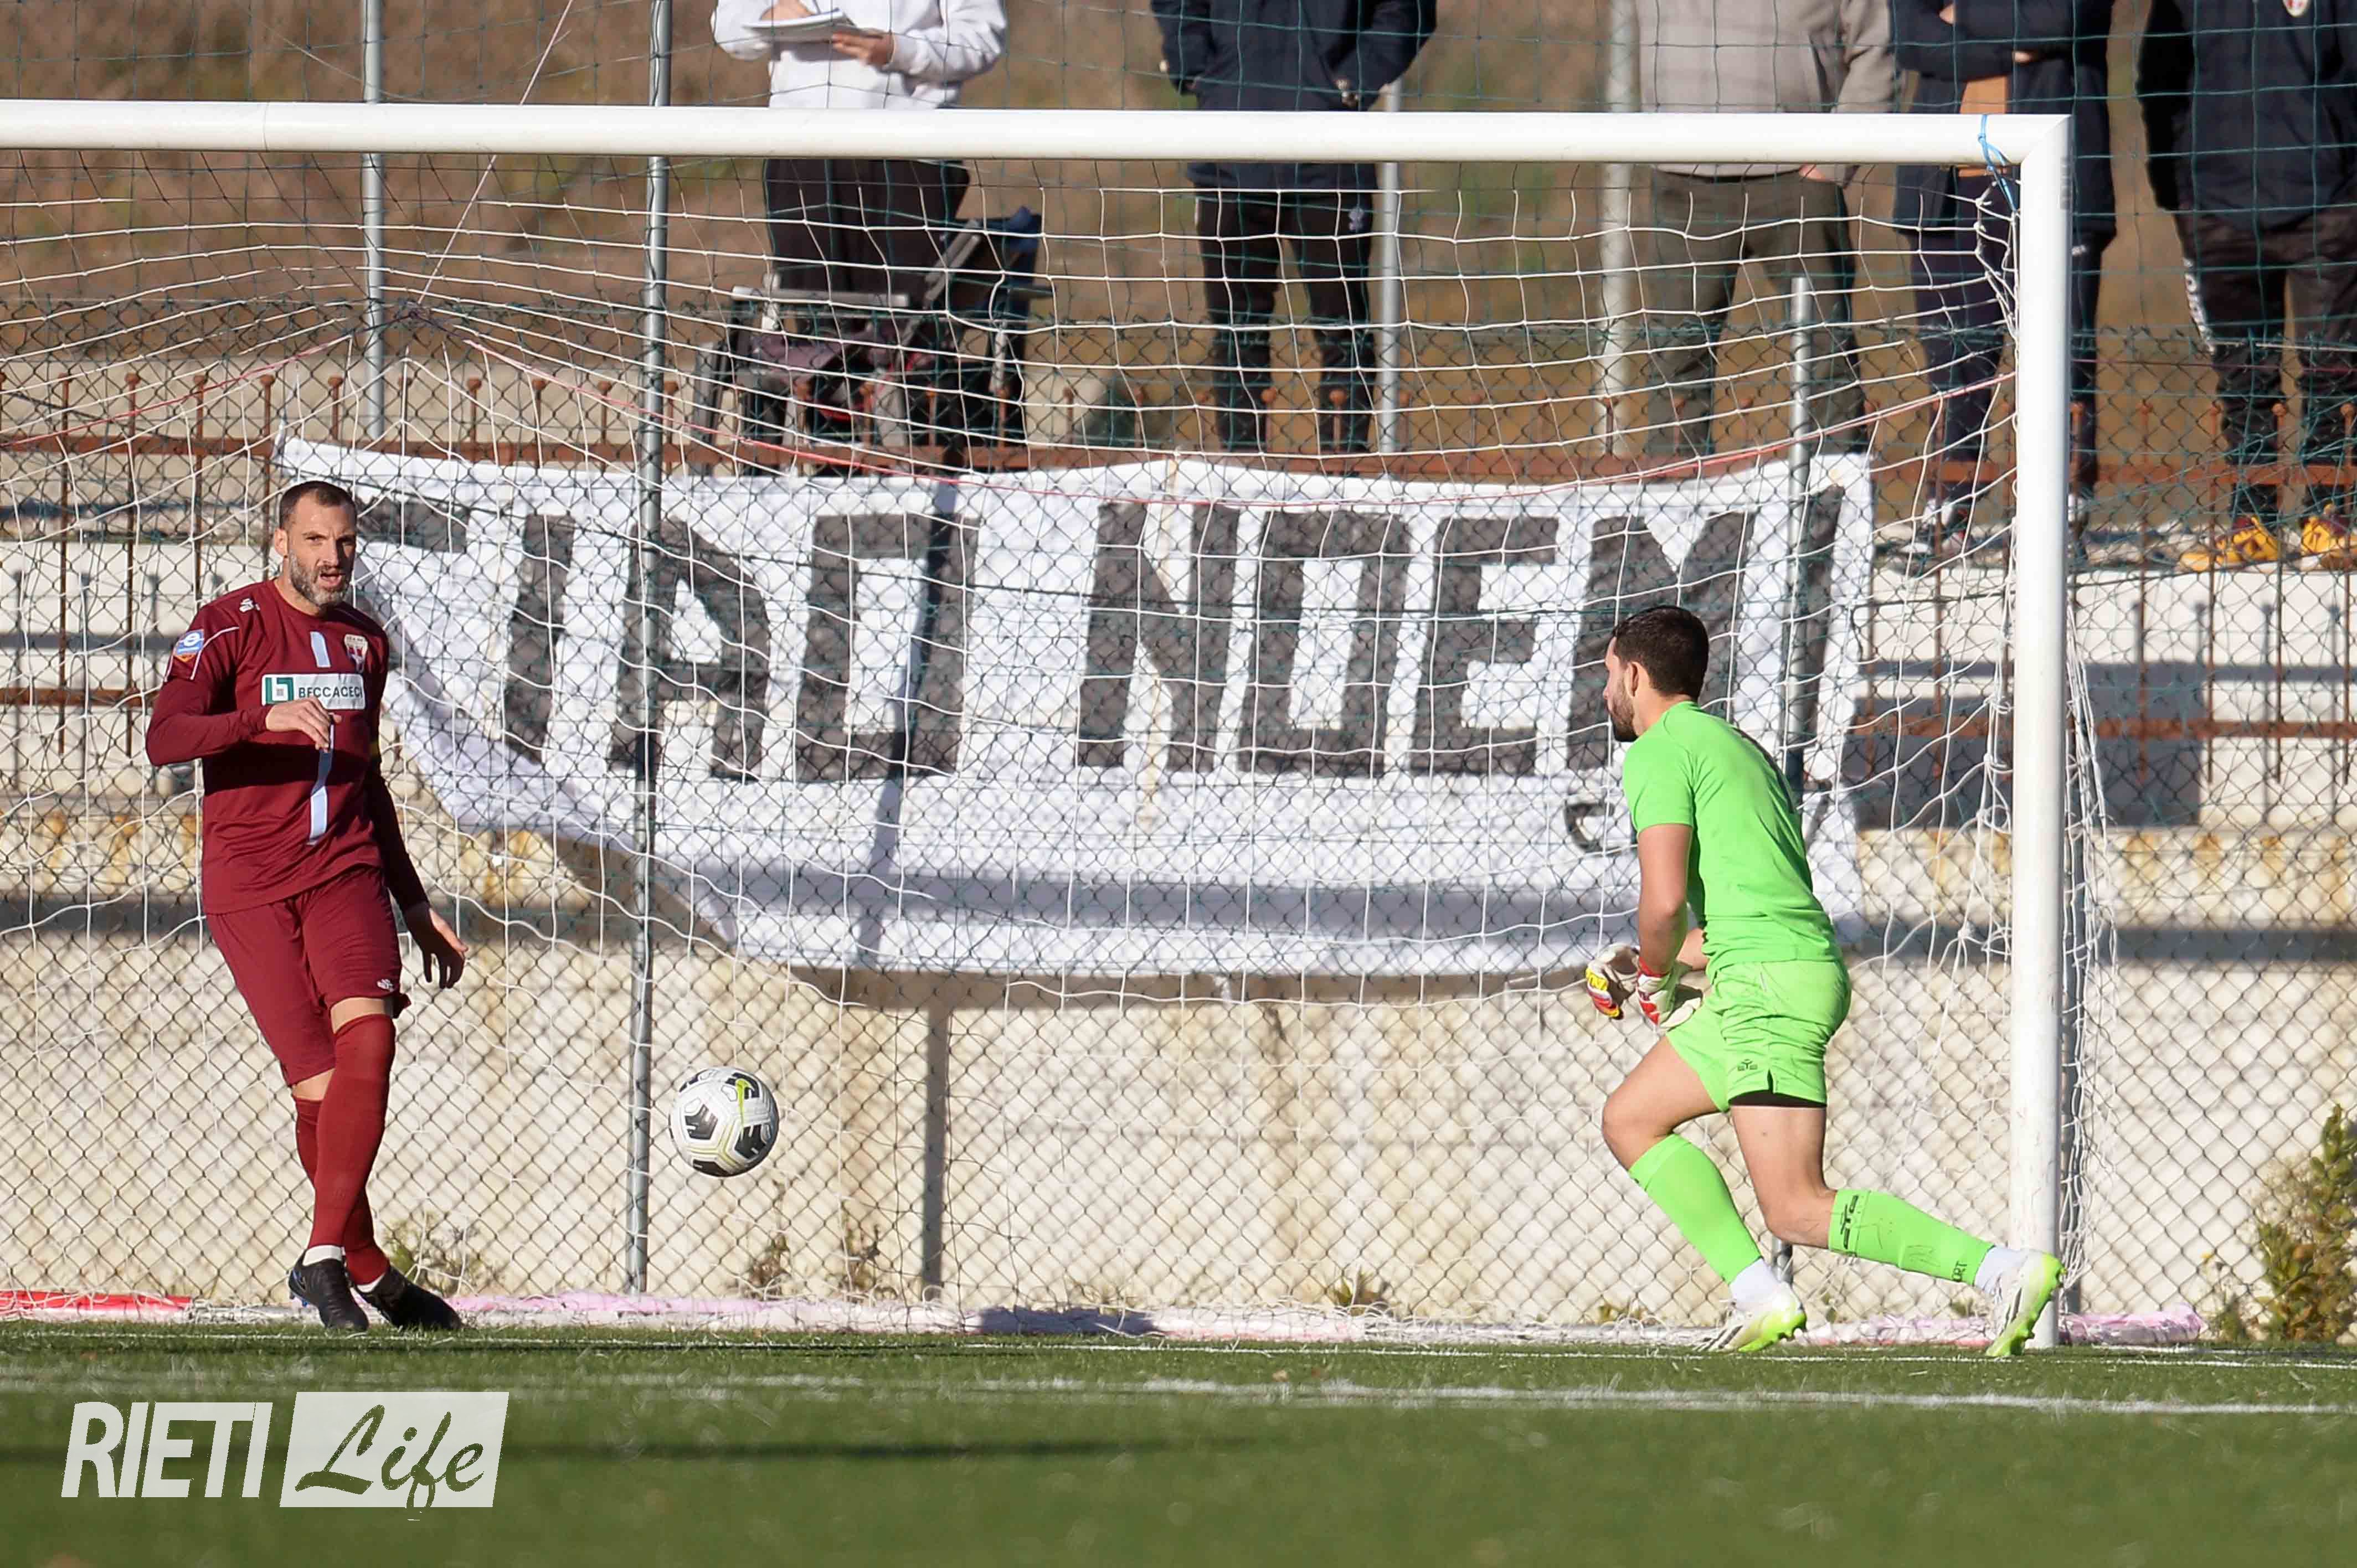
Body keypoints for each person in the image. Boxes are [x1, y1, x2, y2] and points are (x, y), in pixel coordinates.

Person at [1586, 605, 2060, 1354]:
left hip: (1766, 990)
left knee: (1796, 1207)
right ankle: (1759, 1295)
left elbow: (1664, 902)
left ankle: (2003, 1270)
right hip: (1767, 973)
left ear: (1635, 675)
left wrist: (1654, 978)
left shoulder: (1657, 751)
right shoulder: (1735, 748)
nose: (1605, 691)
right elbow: (1751, 911)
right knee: (1631, 1120)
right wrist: (1656, 965)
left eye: (1609, 674)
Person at [145, 481, 469, 1333]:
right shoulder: (229, 626)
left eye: (346, 542)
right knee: (320, 1093)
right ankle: (369, 1269)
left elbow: (367, 777)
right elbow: (164, 738)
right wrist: (258, 717)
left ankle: (322, 1256)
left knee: (372, 1037)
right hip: (250, 888)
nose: (333, 558)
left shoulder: (366, 642)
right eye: (317, 541)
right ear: (281, 542)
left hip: (344, 870)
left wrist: (413, 900)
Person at [1151, 0, 1435, 455]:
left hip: (1331, 162)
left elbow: (1407, 10)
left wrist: (1351, 81)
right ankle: (1242, 471)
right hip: (1229, 155)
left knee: (1344, 328)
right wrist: (1196, 66)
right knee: (1237, 329)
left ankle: (1345, 473)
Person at [1891, 0, 2113, 561]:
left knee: (2061, 361)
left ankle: (2062, 514)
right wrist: (2009, 43)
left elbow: (2059, 21)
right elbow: (1908, 35)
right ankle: (1948, 511)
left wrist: (1958, 17)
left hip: (2054, 185)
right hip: (1944, 190)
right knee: (1954, 363)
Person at [2140, 0, 2357, 572]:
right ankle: (2251, 522)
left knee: (2332, 371)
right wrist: (2178, 192)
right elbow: (2159, 82)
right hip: (2216, 207)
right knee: (2243, 379)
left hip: (2330, 206)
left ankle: (2328, 515)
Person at [1634, 0, 1890, 465]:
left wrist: (1837, 156)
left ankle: (1835, 496)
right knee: (1677, 356)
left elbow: (1879, 43)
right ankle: (1674, 497)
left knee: (1825, 351)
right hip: (1683, 178)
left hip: (1800, 176)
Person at [713, 0, 1005, 298]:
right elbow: (727, 24)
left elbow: (982, 38)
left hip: (912, 155)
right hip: (802, 154)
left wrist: (899, 50)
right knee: (816, 316)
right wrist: (767, 17)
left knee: (908, 316)